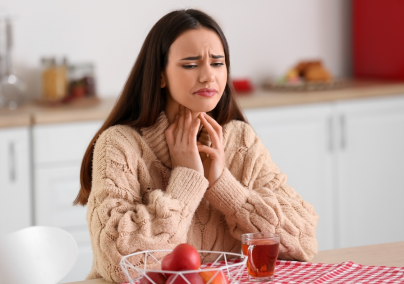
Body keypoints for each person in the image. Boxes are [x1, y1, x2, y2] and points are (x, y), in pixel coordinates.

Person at [74, 9, 319, 283]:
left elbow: (303, 240)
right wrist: (187, 180)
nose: (208, 76)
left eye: (217, 63)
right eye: (191, 65)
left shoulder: (240, 140)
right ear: (160, 75)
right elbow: (119, 264)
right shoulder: (120, 144)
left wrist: (223, 185)